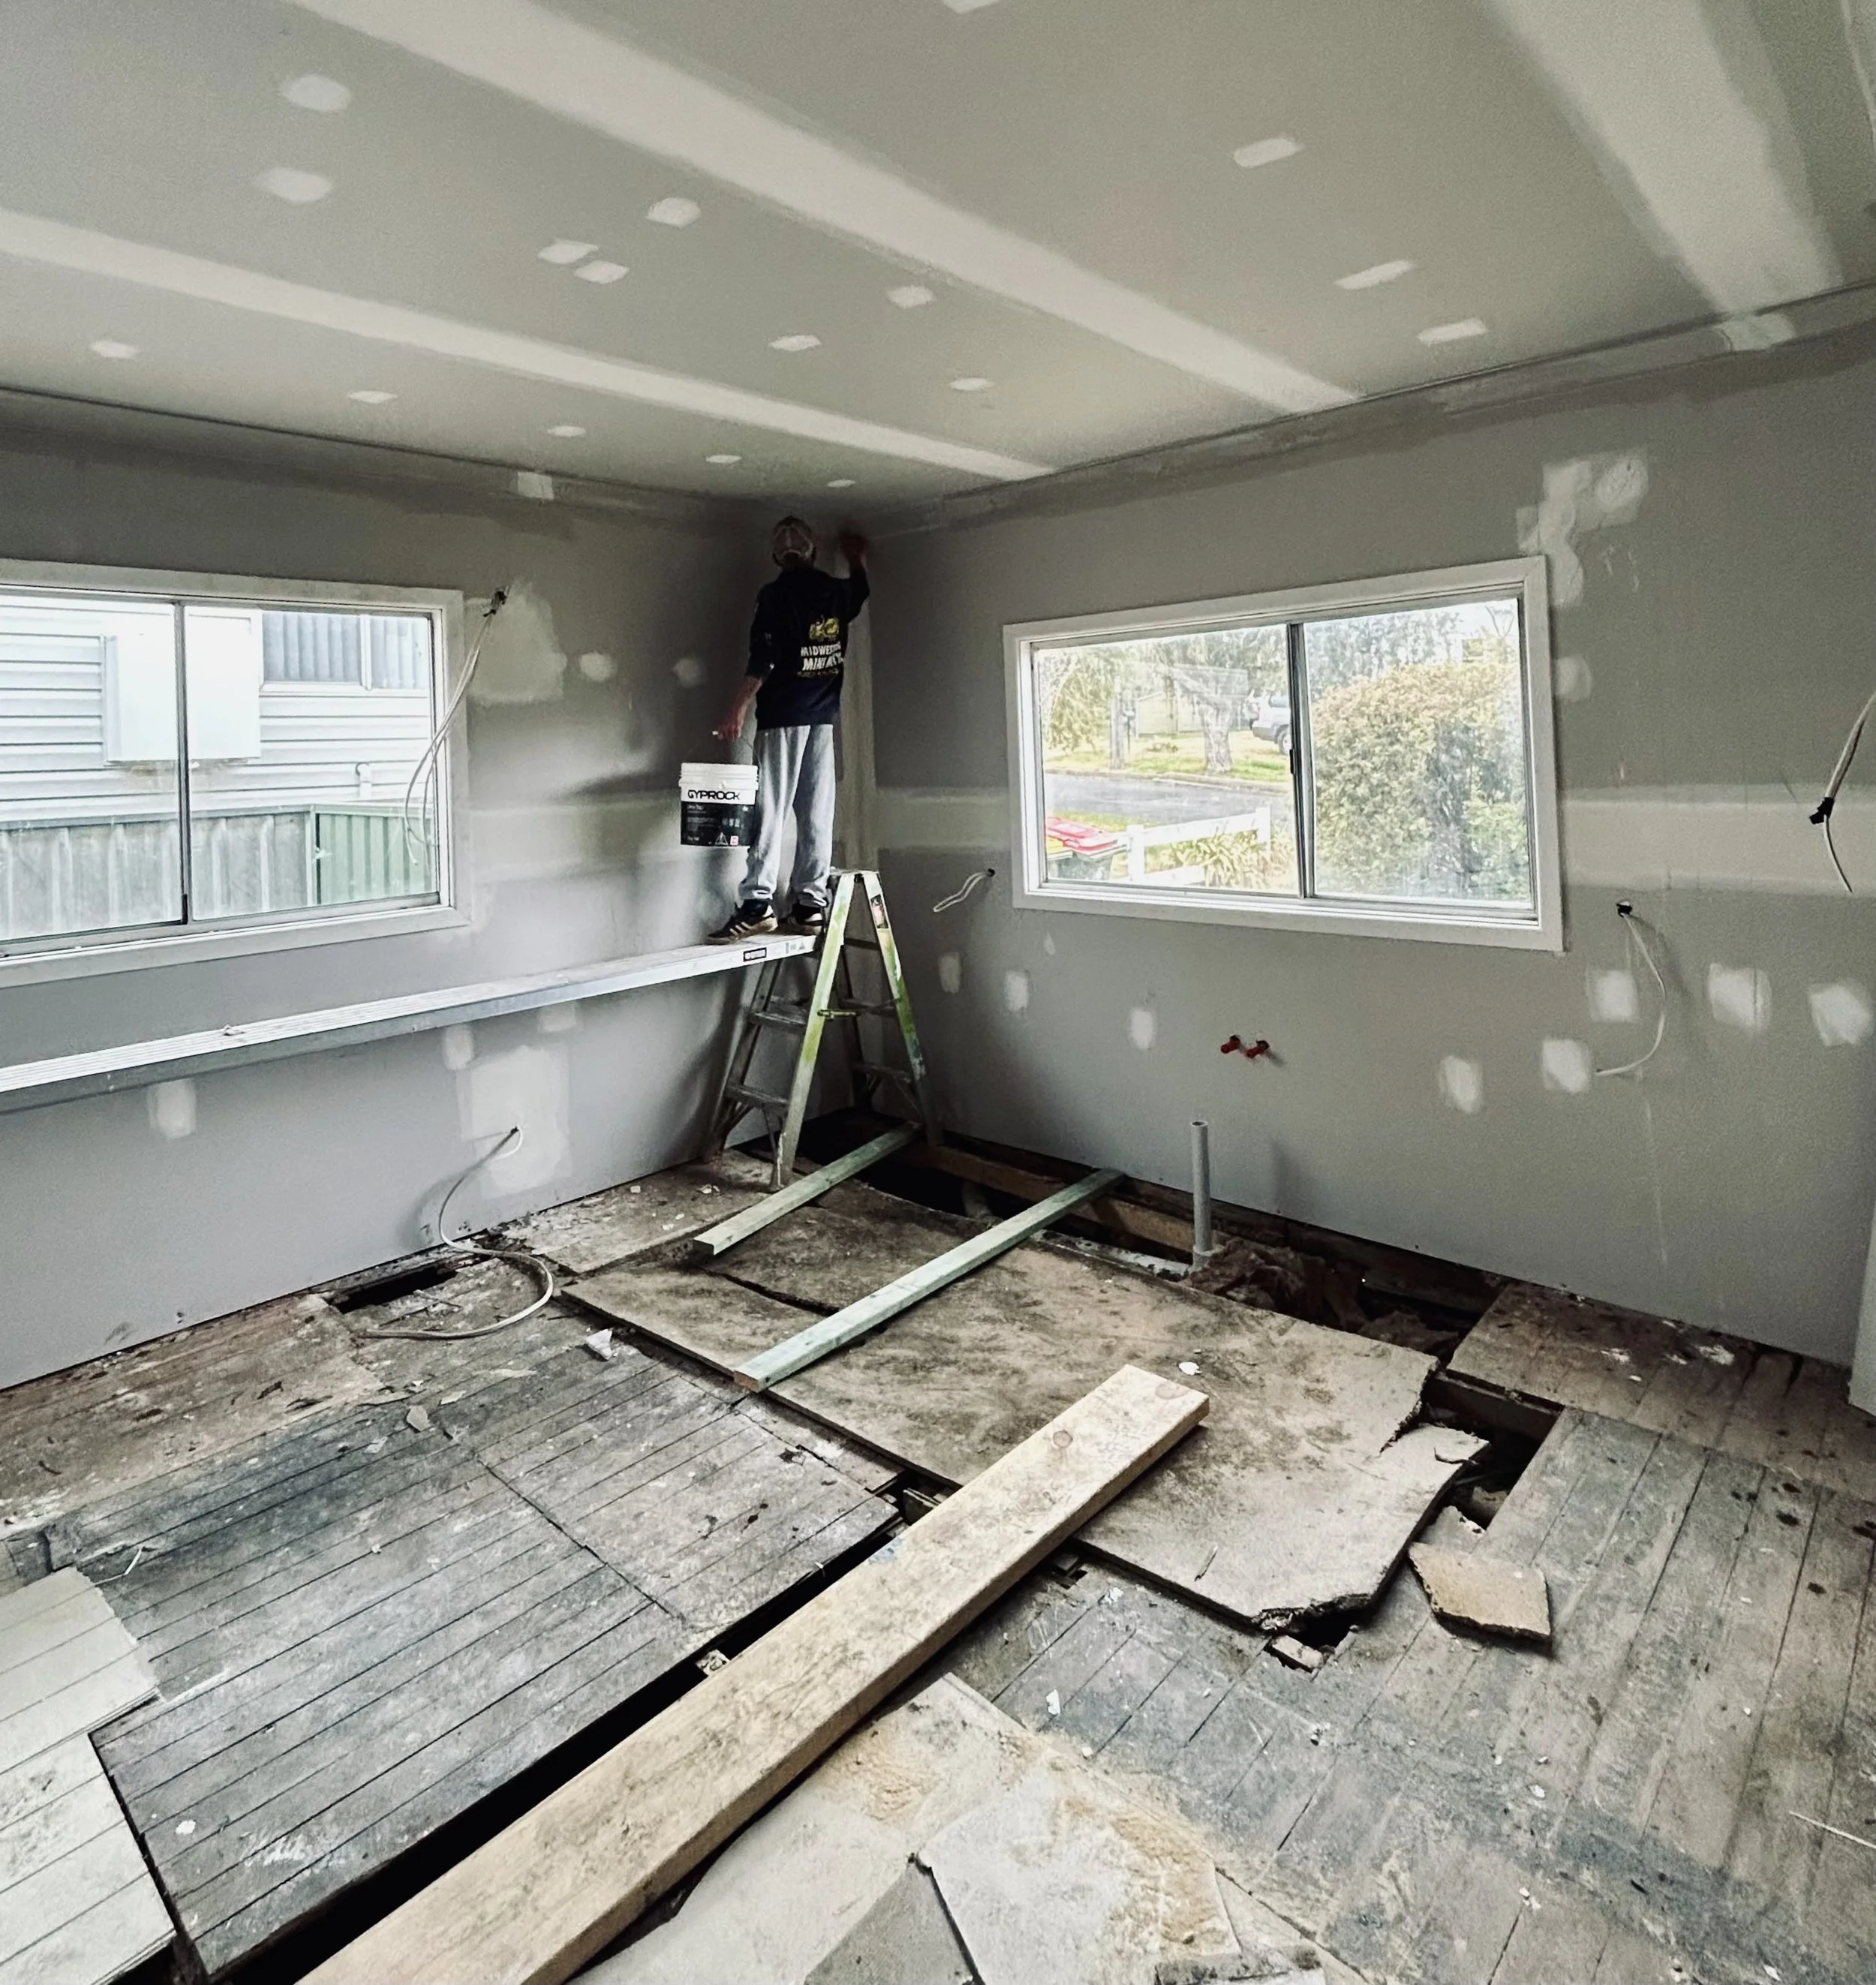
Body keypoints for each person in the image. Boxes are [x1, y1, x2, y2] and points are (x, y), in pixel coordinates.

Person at [707, 516, 869, 940]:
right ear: (813, 552)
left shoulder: (775, 596)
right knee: (817, 812)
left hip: (784, 716)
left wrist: (737, 709)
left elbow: (764, 657)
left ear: (777, 557)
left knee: (771, 809)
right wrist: (855, 557)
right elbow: (860, 593)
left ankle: (758, 904)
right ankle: (809, 905)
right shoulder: (835, 592)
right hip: (823, 717)